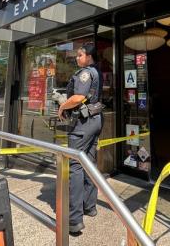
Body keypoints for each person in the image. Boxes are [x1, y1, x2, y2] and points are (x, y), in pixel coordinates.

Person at [57, 43, 103, 234]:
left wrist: (62, 106)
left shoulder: (85, 73)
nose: (77, 58)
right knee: (89, 164)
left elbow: (78, 97)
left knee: (75, 166)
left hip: (84, 124)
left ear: (89, 57)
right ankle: (90, 206)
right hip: (95, 121)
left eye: (80, 55)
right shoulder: (96, 73)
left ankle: (75, 219)